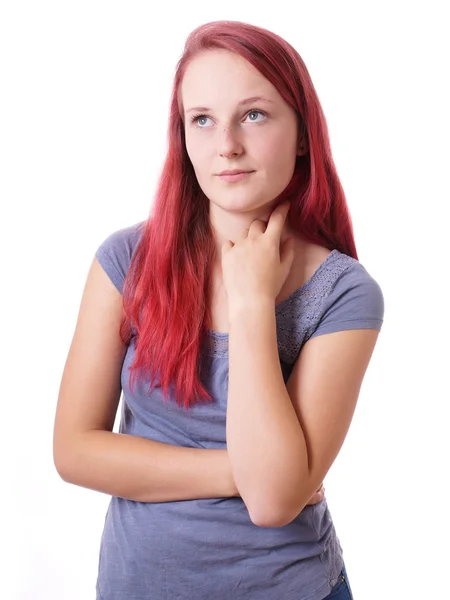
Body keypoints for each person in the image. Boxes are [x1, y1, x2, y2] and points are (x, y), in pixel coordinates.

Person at [53, 19, 384, 600]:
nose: (226, 144)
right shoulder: (126, 259)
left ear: (303, 134)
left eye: (253, 115)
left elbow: (276, 502)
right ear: (181, 136)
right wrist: (240, 473)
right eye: (201, 119)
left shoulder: (344, 292)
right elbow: (75, 449)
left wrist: (253, 301)